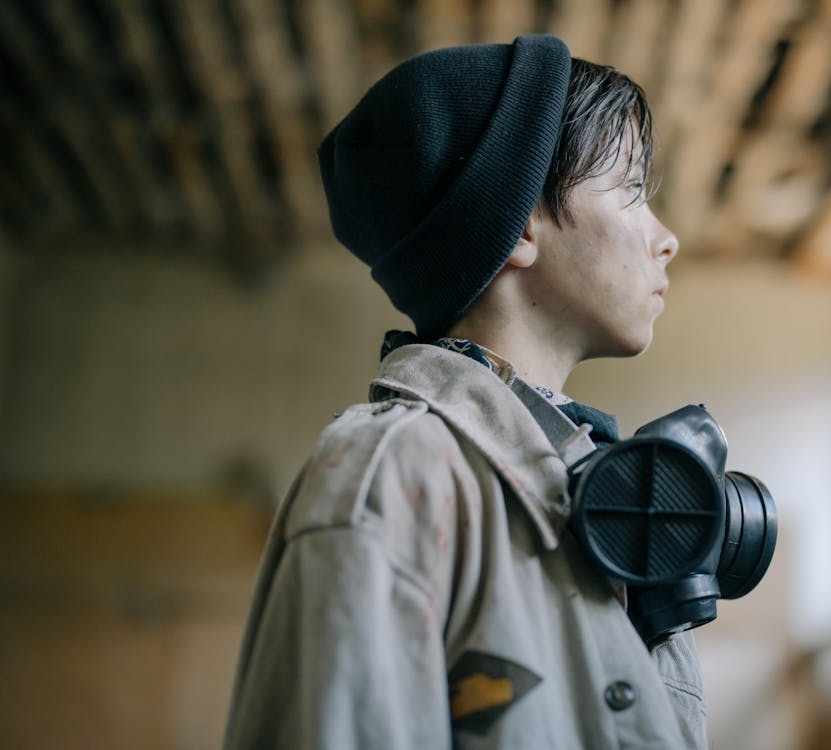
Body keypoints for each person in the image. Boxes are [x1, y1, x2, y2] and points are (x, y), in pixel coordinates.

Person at [223, 34, 704, 749]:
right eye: (631, 189)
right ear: (517, 225)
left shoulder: (592, 491)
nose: (665, 238)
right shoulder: (387, 475)